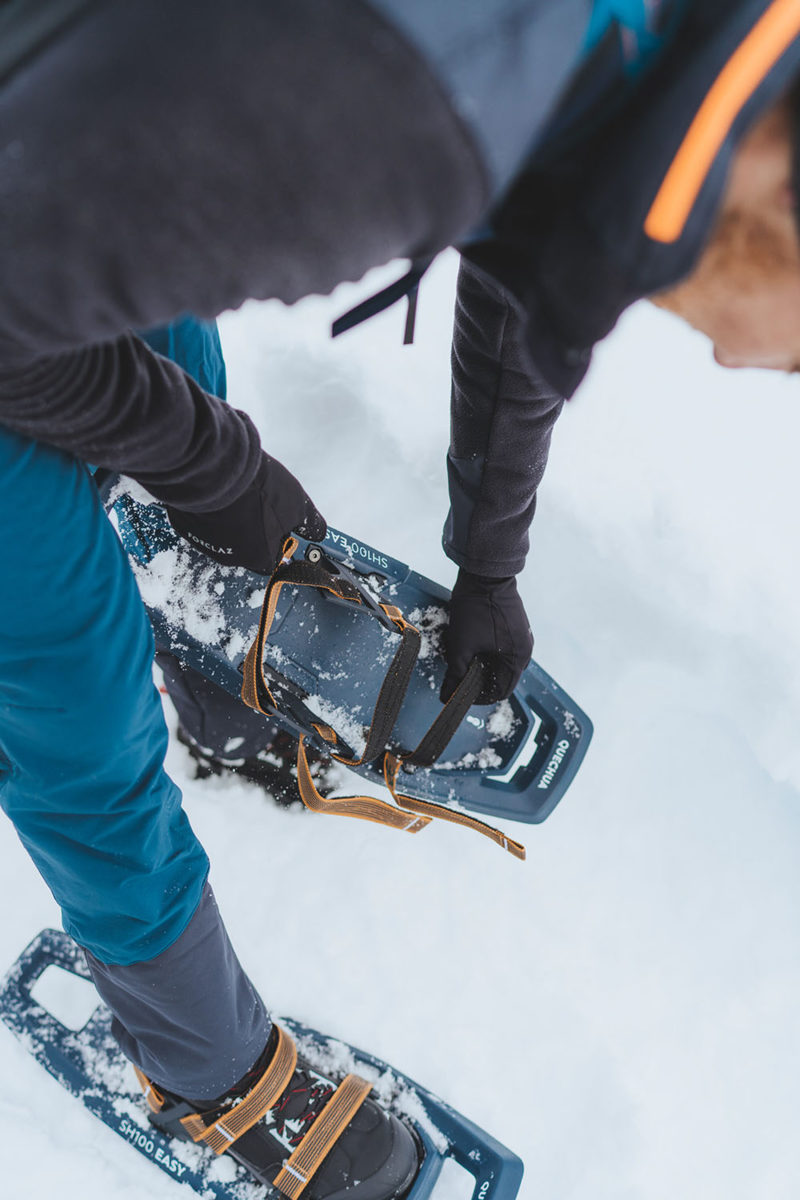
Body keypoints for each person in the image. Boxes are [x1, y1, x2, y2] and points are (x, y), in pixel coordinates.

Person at [3, 2, 800, 1196]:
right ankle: (205, 1070)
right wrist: (214, 468)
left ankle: (205, 657)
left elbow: (535, 239)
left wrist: (490, 559)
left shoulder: (634, 54)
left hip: (58, 132)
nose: (751, 369)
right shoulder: (391, 120)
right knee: (72, 695)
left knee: (164, 363)